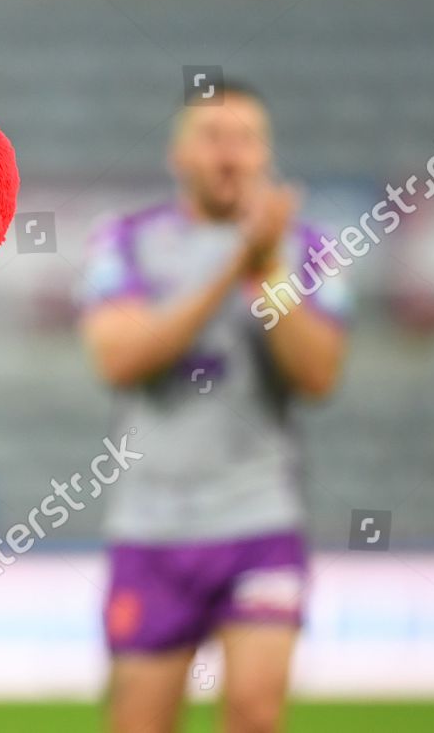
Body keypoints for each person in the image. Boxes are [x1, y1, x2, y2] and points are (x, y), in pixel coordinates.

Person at [79, 84, 350, 733]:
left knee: (255, 716)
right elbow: (120, 360)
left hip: (259, 520)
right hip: (152, 530)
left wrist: (269, 277)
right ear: (179, 155)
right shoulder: (125, 242)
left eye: (246, 139)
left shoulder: (309, 249)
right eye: (212, 137)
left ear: (266, 155)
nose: (230, 155)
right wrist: (233, 268)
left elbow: (318, 375)